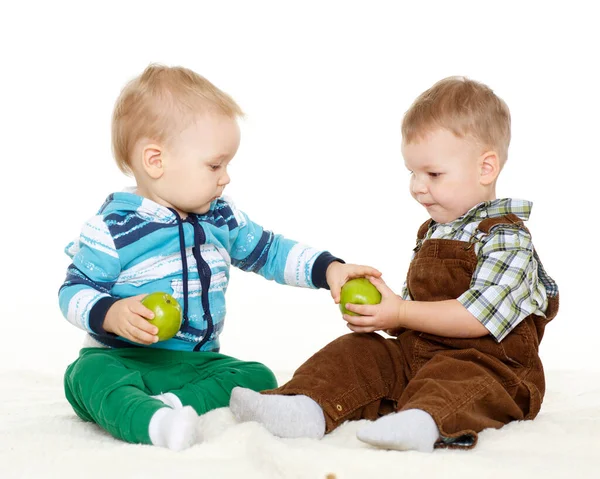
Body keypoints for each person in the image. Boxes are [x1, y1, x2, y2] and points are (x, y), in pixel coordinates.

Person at [58, 64, 380, 451]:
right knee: (86, 375)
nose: (225, 177)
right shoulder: (114, 228)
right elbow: (73, 291)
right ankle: (152, 422)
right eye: (214, 165)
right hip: (123, 358)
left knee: (256, 375)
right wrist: (111, 314)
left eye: (226, 165)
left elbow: (270, 250)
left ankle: (174, 407)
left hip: (193, 364)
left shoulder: (220, 217)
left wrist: (329, 269)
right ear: (155, 161)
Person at [230, 76, 559, 452]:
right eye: (412, 173)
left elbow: (477, 317)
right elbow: (419, 311)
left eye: (433, 174)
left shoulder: (505, 238)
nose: (417, 186)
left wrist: (400, 312)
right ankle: (306, 406)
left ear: (486, 168)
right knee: (359, 351)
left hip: (491, 367)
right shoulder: (435, 231)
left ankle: (423, 422)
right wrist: (385, 312)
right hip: (418, 355)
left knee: (460, 379)